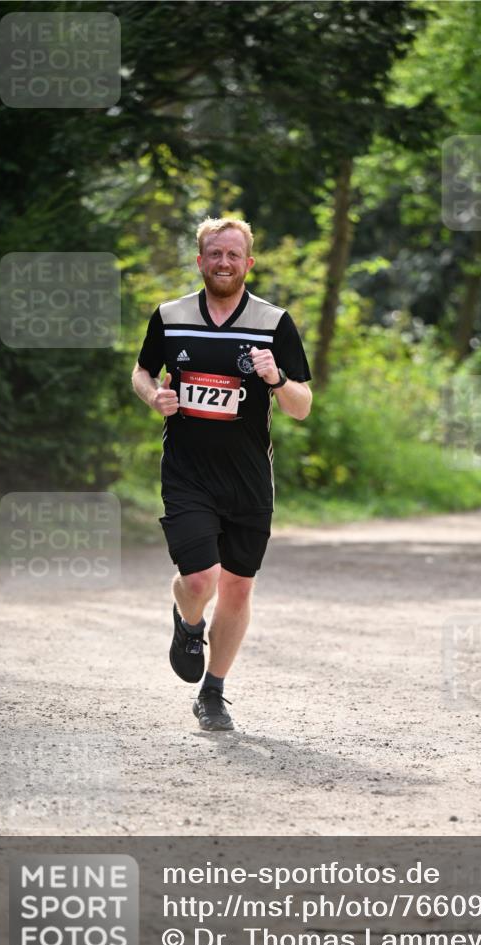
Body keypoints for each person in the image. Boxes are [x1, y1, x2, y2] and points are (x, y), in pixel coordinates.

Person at [132, 217, 312, 732]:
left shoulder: (273, 323)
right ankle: (189, 623)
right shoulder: (170, 316)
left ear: (249, 262)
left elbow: (301, 406)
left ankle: (213, 693)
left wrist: (276, 378)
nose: (225, 263)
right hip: (187, 472)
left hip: (249, 478)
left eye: (234, 255)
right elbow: (142, 371)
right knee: (199, 577)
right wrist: (154, 396)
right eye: (215, 254)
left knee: (236, 588)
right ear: (200, 260)